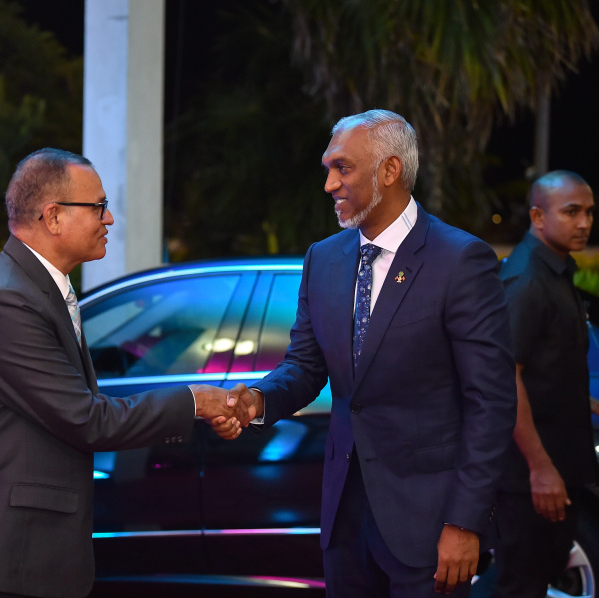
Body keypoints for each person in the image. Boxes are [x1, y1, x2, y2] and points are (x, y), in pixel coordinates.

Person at [0, 148, 251, 598]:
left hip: (24, 557)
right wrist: (195, 401)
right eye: (98, 207)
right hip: (2, 561)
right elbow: (86, 419)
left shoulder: (35, 289)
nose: (109, 220)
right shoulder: (6, 301)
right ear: (53, 217)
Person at [226, 109, 517, 597]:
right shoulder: (324, 258)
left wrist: (465, 521)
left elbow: (491, 402)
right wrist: (257, 400)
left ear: (389, 171)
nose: (329, 184)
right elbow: (304, 365)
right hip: (345, 519)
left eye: (343, 168)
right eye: (328, 169)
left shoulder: (460, 260)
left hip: (430, 527)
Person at [490, 171, 597, 597]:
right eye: (572, 212)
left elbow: (548, 371)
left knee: (538, 580)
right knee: (520, 585)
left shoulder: (556, 272)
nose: (585, 223)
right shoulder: (527, 280)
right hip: (528, 479)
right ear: (538, 216)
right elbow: (505, 377)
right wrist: (540, 469)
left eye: (589, 212)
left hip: (556, 469)